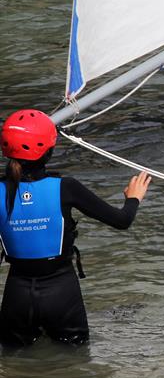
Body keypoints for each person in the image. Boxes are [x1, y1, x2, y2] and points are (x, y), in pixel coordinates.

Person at [0, 109, 151, 347]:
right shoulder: (66, 187)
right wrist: (133, 199)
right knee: (75, 364)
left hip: (16, 296)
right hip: (61, 293)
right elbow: (122, 221)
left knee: (16, 366)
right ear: (49, 151)